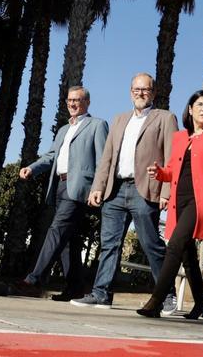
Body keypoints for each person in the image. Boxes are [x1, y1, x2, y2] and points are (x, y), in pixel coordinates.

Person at [72, 73, 179, 313]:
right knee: (109, 243)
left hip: (145, 190)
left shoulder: (165, 118)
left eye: (146, 90)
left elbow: (173, 157)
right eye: (136, 90)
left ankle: (167, 294)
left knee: (151, 244)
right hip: (115, 189)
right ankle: (101, 294)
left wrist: (166, 190)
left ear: (153, 93)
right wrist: (98, 186)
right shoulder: (119, 120)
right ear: (131, 92)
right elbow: (107, 157)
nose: (141, 94)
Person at [136, 90, 203, 319]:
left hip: (200, 201)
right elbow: (173, 169)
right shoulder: (181, 137)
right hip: (178, 200)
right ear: (190, 109)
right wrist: (160, 173)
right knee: (187, 255)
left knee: (174, 245)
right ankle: (201, 303)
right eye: (200, 104)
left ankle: (156, 301)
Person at [14, 86, 108, 300]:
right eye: (69, 101)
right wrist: (32, 168)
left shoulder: (97, 125)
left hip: (79, 188)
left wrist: (98, 188)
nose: (72, 104)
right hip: (59, 186)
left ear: (87, 102)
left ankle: (34, 279)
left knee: (57, 230)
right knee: (68, 239)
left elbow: (104, 160)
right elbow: (51, 156)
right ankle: (75, 287)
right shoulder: (63, 130)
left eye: (77, 100)